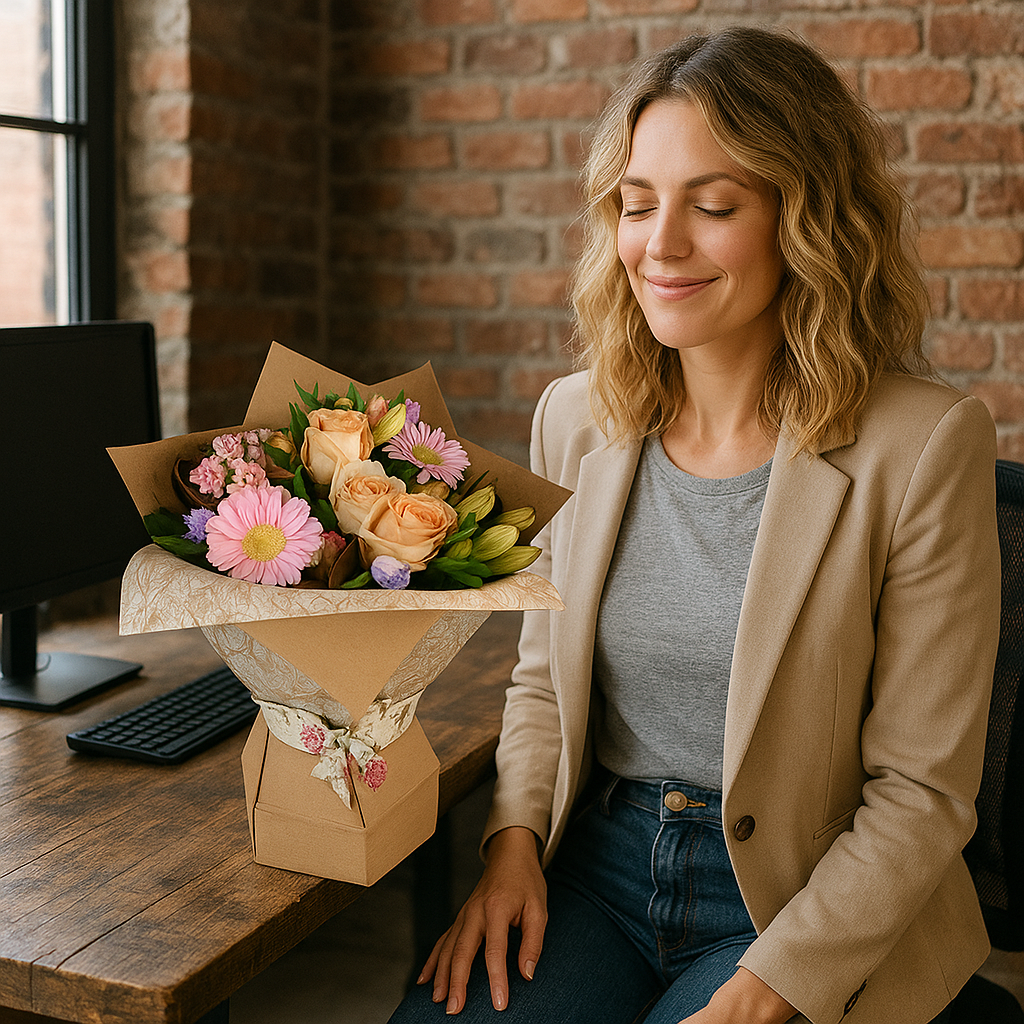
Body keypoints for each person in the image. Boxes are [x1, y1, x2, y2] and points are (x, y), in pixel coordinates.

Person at [388, 26, 1000, 1024]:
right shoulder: (574, 419)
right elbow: (542, 682)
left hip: (802, 894)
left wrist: (767, 992)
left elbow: (921, 792)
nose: (661, 244)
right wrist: (511, 849)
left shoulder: (924, 443)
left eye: (713, 206)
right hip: (597, 865)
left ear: (807, 221)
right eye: (637, 204)